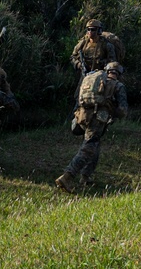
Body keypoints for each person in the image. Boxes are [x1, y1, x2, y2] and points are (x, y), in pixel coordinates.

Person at [55, 61, 128, 192]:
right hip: (98, 119)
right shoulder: (118, 86)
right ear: (119, 73)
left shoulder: (93, 78)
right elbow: (122, 110)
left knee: (95, 146)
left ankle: (85, 176)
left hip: (82, 115)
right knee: (89, 147)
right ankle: (67, 176)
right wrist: (113, 112)